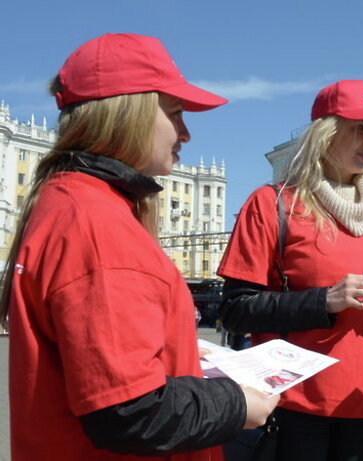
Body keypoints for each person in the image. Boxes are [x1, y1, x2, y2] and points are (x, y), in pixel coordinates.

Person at [0, 33, 278, 461]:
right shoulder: (98, 225)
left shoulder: (69, 201)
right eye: (175, 113)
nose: (185, 133)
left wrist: (180, 349)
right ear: (127, 113)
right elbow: (130, 411)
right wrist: (238, 402)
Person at [217, 79, 363, 461]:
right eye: (359, 128)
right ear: (325, 135)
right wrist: (324, 301)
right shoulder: (274, 203)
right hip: (292, 404)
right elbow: (235, 310)